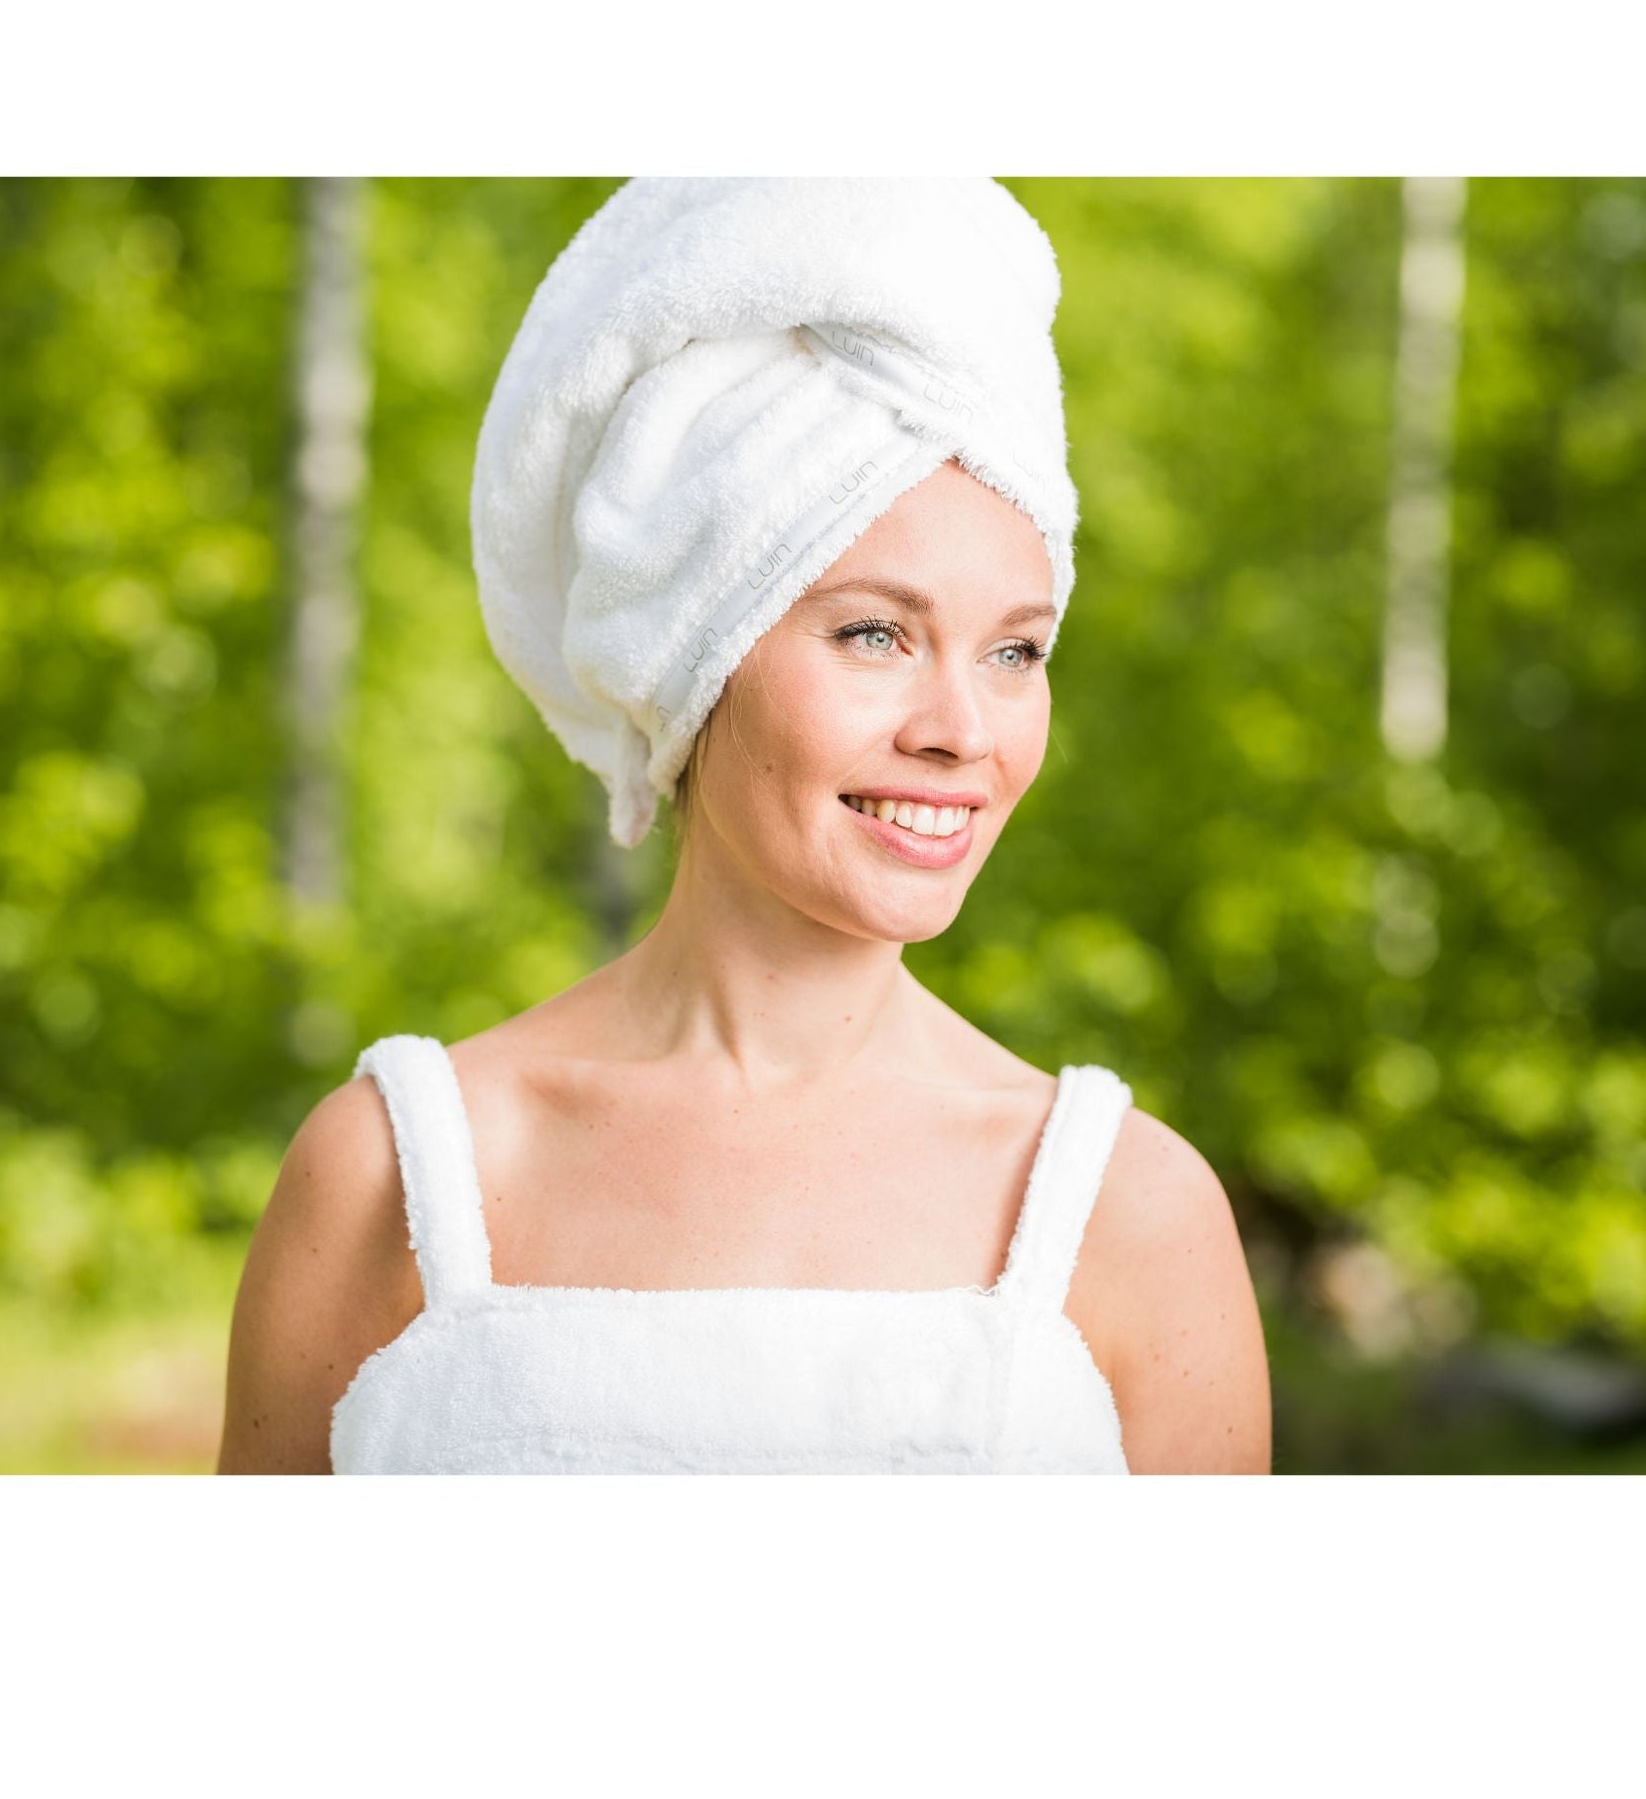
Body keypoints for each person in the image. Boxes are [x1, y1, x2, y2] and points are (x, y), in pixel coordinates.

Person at [218, 177, 1272, 1475]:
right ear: (689, 654)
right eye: (874, 633)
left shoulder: (1132, 1211)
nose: (963, 729)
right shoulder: (390, 1174)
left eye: (1015, 651)